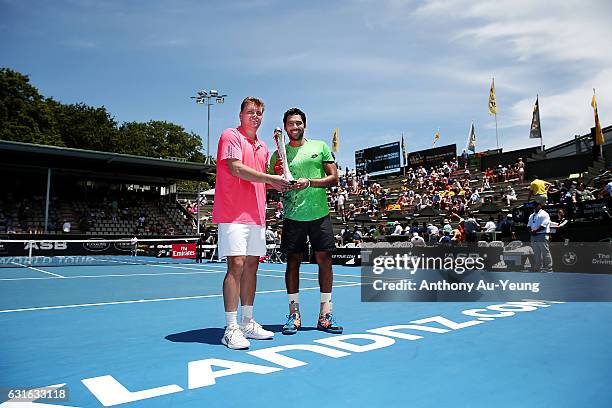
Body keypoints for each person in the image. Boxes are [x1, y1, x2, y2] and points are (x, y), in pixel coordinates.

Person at [212, 96, 291, 350]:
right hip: (232, 214)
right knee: (235, 264)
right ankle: (231, 327)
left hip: (256, 215)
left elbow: (261, 181)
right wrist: (270, 176)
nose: (254, 116)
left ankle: (247, 321)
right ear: (241, 114)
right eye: (250, 112)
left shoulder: (263, 147)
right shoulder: (230, 136)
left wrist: (280, 182)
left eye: (259, 113)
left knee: (252, 268)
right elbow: (236, 169)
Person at [269, 107, 342, 335]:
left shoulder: (319, 146)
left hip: (319, 214)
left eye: (298, 123)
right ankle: (294, 314)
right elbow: (271, 184)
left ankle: (325, 314)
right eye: (291, 124)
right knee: (292, 264)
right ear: (285, 126)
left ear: (304, 125)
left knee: (325, 261)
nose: (295, 127)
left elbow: (334, 178)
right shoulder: (278, 155)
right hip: (292, 216)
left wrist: (309, 182)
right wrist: (281, 180)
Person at [527, 201, 553, 272]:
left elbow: (543, 226)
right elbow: (528, 226)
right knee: (536, 253)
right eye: (533, 206)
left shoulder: (545, 214)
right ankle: (538, 267)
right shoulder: (531, 215)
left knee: (545, 252)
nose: (534, 207)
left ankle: (549, 268)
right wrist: (531, 231)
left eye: (536, 205)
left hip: (542, 234)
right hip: (533, 236)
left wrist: (534, 231)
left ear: (540, 205)